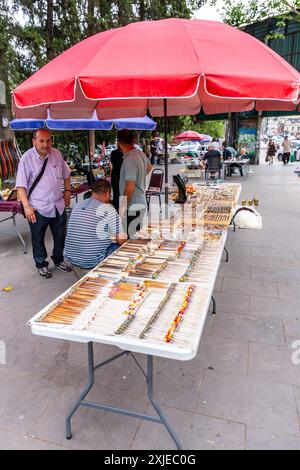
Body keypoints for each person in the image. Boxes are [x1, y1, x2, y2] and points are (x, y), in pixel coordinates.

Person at [16, 129, 72, 279]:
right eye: (41, 141)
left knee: (60, 235)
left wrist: (67, 191)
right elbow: (21, 186)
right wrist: (27, 207)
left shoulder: (57, 154)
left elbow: (67, 174)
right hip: (38, 207)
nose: (45, 144)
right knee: (38, 237)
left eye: (48, 141)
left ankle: (58, 259)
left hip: (58, 204)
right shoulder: (26, 159)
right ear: (34, 141)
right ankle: (41, 264)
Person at [64, 179, 127, 271]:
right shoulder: (108, 210)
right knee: (124, 246)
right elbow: (122, 240)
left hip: (70, 257)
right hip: (92, 261)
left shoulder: (78, 205)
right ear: (107, 194)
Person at [117, 129, 152, 237]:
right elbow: (149, 168)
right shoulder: (140, 153)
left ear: (118, 142)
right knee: (135, 237)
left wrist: (122, 207)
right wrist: (139, 179)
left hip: (133, 205)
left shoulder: (129, 159)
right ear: (133, 141)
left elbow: (130, 188)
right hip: (139, 202)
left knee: (129, 241)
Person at [110, 145, 123, 212]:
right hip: (122, 176)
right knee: (122, 195)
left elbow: (112, 162)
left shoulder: (114, 153)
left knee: (116, 195)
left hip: (115, 175)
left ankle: (116, 211)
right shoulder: (126, 153)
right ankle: (122, 212)